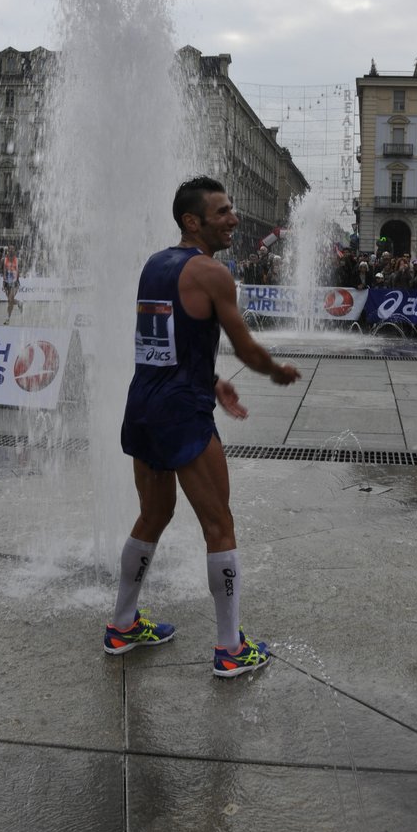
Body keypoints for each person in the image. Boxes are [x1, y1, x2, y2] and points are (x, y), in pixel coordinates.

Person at [107, 177, 301, 678]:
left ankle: (122, 624)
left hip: (144, 403)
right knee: (219, 525)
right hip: (181, 412)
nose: (233, 219)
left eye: (231, 210)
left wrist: (211, 380)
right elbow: (247, 347)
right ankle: (230, 649)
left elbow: (162, 345)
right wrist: (275, 370)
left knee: (154, 515)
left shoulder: (155, 266)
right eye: (222, 212)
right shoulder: (212, 273)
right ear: (193, 221)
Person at [2, 246, 22, 323]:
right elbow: (3, 270)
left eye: (12, 249)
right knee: (10, 301)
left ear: (14, 251)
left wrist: (18, 276)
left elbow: (20, 270)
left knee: (10, 300)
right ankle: (19, 303)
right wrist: (4, 281)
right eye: (9, 248)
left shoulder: (18, 260)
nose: (11, 250)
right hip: (7, 282)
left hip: (15, 282)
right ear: (8, 250)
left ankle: (7, 318)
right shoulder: (4, 260)